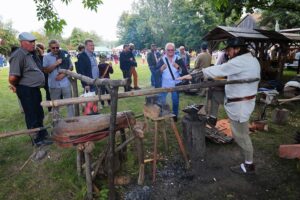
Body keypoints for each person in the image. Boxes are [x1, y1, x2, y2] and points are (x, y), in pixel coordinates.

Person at [179, 38, 261, 174]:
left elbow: (221, 69)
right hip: (238, 100)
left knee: (241, 135)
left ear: (237, 49)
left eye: (229, 50)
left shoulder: (239, 61)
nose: (228, 53)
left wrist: (194, 75)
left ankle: (249, 164)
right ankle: (212, 117)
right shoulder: (251, 59)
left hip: (240, 105)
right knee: (215, 95)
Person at [9, 32, 50, 146]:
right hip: (26, 89)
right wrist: (18, 86)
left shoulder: (30, 53)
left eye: (34, 41)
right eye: (30, 42)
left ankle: (42, 134)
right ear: (22, 43)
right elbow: (12, 77)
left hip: (34, 89)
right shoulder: (19, 55)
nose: (33, 44)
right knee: (31, 114)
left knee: (38, 112)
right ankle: (36, 139)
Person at [156, 42, 188, 122]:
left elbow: (185, 72)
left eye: (172, 50)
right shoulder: (162, 59)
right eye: (168, 50)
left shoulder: (178, 58)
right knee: (161, 101)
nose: (170, 51)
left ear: (174, 50)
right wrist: (160, 69)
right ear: (165, 50)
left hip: (175, 84)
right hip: (164, 84)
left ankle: (174, 116)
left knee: (175, 101)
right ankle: (161, 115)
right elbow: (155, 73)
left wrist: (178, 68)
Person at [43, 39, 74, 117]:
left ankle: (71, 120)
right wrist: (56, 63)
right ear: (50, 48)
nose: (56, 49)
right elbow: (46, 70)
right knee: (55, 105)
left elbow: (71, 67)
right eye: (53, 48)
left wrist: (63, 74)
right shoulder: (46, 57)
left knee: (69, 103)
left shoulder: (64, 54)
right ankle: (56, 122)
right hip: (54, 85)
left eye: (57, 47)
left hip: (65, 83)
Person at [35, 43, 52, 112]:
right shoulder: (37, 57)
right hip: (42, 77)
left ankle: (49, 108)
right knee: (48, 93)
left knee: (48, 93)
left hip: (43, 77)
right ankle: (49, 109)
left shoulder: (42, 57)